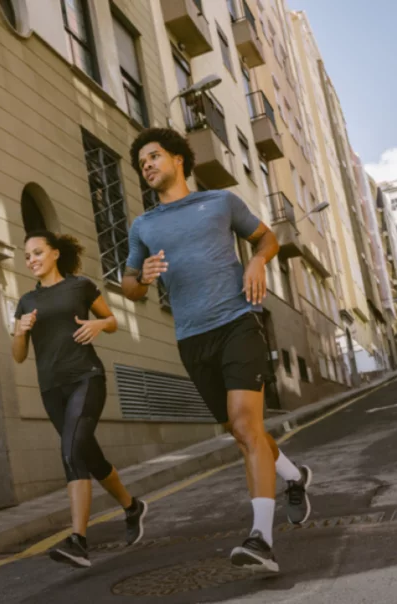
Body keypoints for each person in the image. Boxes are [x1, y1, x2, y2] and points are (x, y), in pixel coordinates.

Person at [122, 128, 312, 574]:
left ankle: (261, 539)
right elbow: (128, 286)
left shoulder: (220, 202)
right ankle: (294, 477)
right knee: (239, 432)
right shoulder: (143, 226)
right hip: (192, 339)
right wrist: (143, 278)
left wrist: (255, 260)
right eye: (141, 162)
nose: (146, 165)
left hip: (237, 325)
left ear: (178, 160)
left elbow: (267, 239)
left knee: (248, 427)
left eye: (153, 156)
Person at [13, 230, 148, 568]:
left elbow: (113, 320)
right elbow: (18, 356)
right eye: (27, 255)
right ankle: (133, 507)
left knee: (71, 451)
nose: (31, 260)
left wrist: (98, 325)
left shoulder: (80, 287)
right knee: (89, 455)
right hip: (51, 390)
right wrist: (19, 331)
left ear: (55, 253)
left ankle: (78, 541)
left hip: (86, 378)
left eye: (37, 252)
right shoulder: (26, 302)